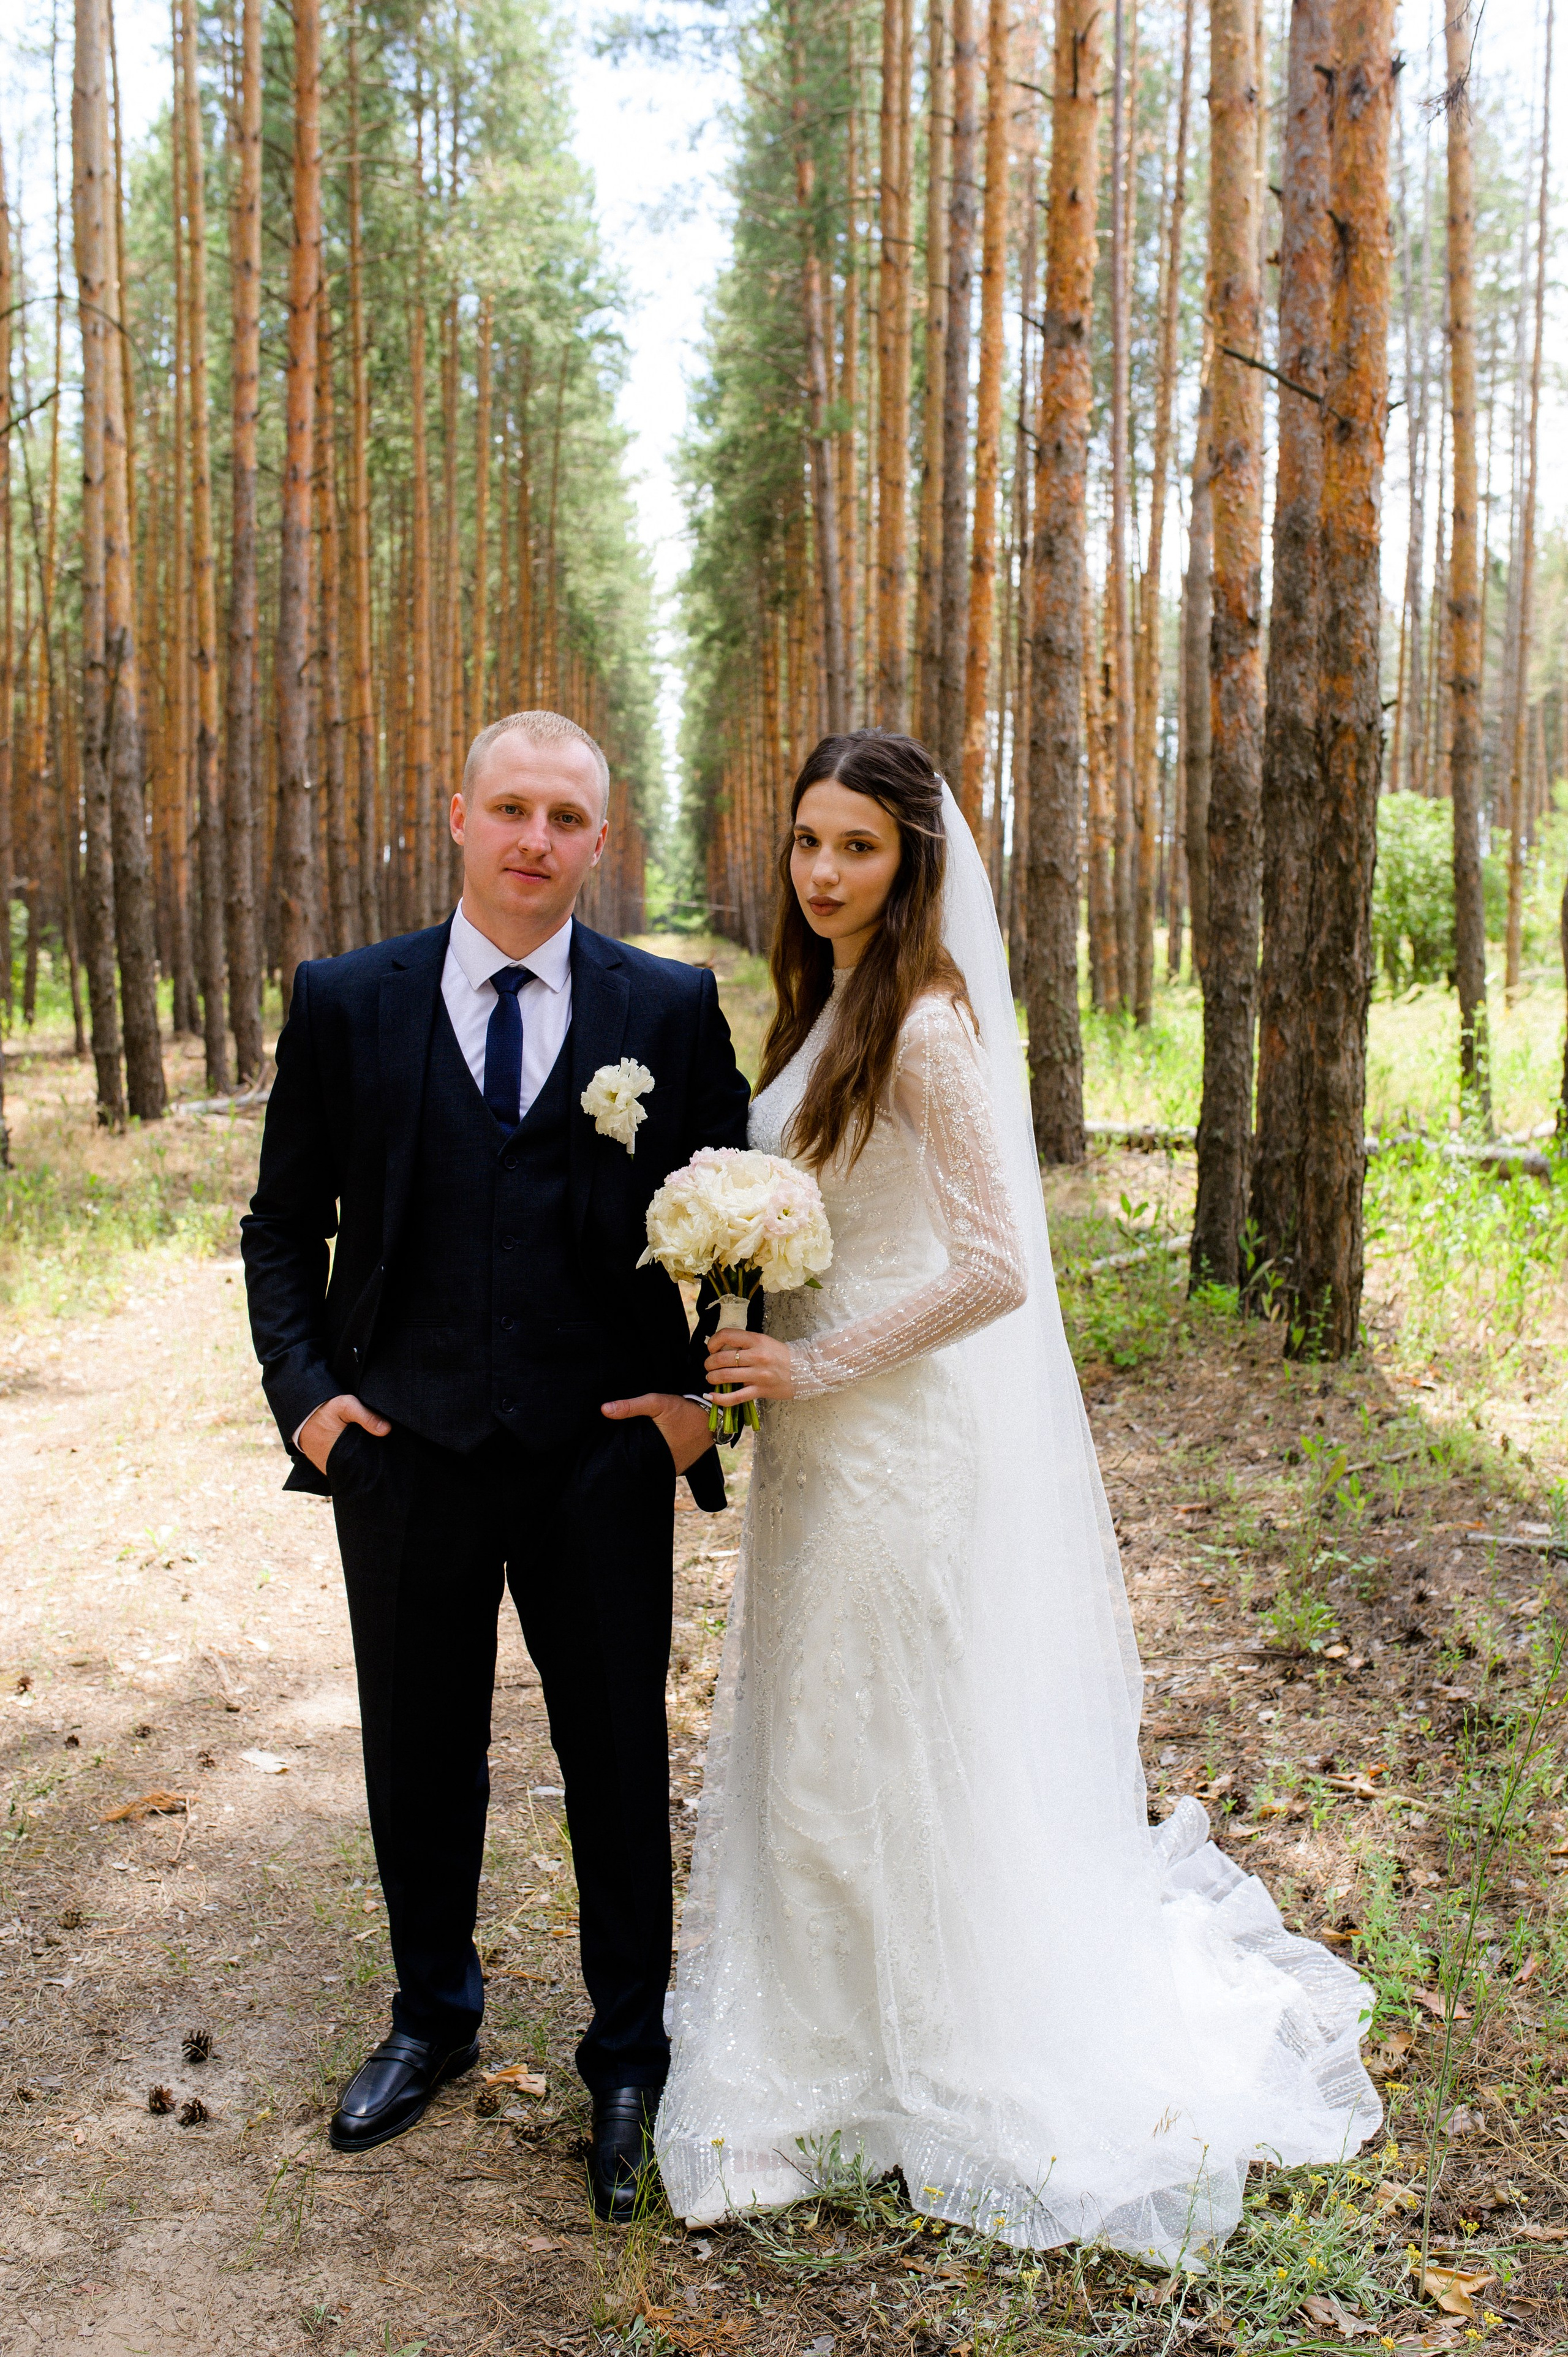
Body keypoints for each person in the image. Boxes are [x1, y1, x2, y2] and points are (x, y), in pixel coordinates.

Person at [655, 730, 1379, 2262]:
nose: (825, 871)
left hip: (896, 1433)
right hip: (822, 1435)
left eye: (856, 845)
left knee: (885, 1721)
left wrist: (817, 1359)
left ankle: (918, 2050)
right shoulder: (828, 1001)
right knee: (820, 1720)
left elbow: (993, 1266)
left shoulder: (920, 1021)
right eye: (806, 842)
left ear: (912, 861)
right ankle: (817, 2040)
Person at [241, 709, 751, 2218]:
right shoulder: (347, 1002)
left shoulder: (664, 1006)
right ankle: (431, 2019)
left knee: (613, 1754)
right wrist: (309, 1399)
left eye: (566, 817)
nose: (536, 839)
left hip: (597, 1455)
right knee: (417, 1745)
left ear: (601, 841)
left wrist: (695, 1406)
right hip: (403, 1451)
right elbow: (284, 1223)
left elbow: (739, 1208)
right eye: (510, 808)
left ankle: (626, 2052)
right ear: (457, 817)